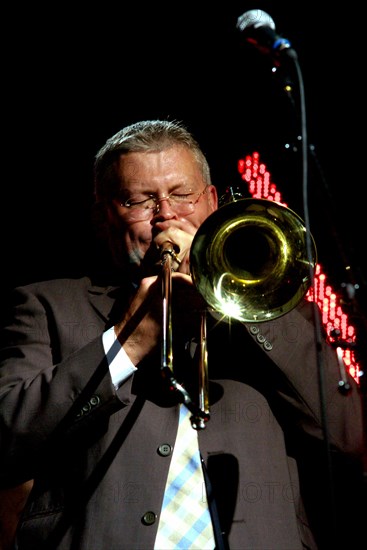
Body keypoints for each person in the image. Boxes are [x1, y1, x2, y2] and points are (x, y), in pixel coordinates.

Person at [0, 119, 365, 550]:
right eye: (139, 200)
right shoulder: (47, 304)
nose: (166, 215)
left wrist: (249, 304)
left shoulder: (278, 308)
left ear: (211, 201)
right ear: (103, 217)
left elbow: (349, 436)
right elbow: (8, 441)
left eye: (181, 195)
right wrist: (128, 342)